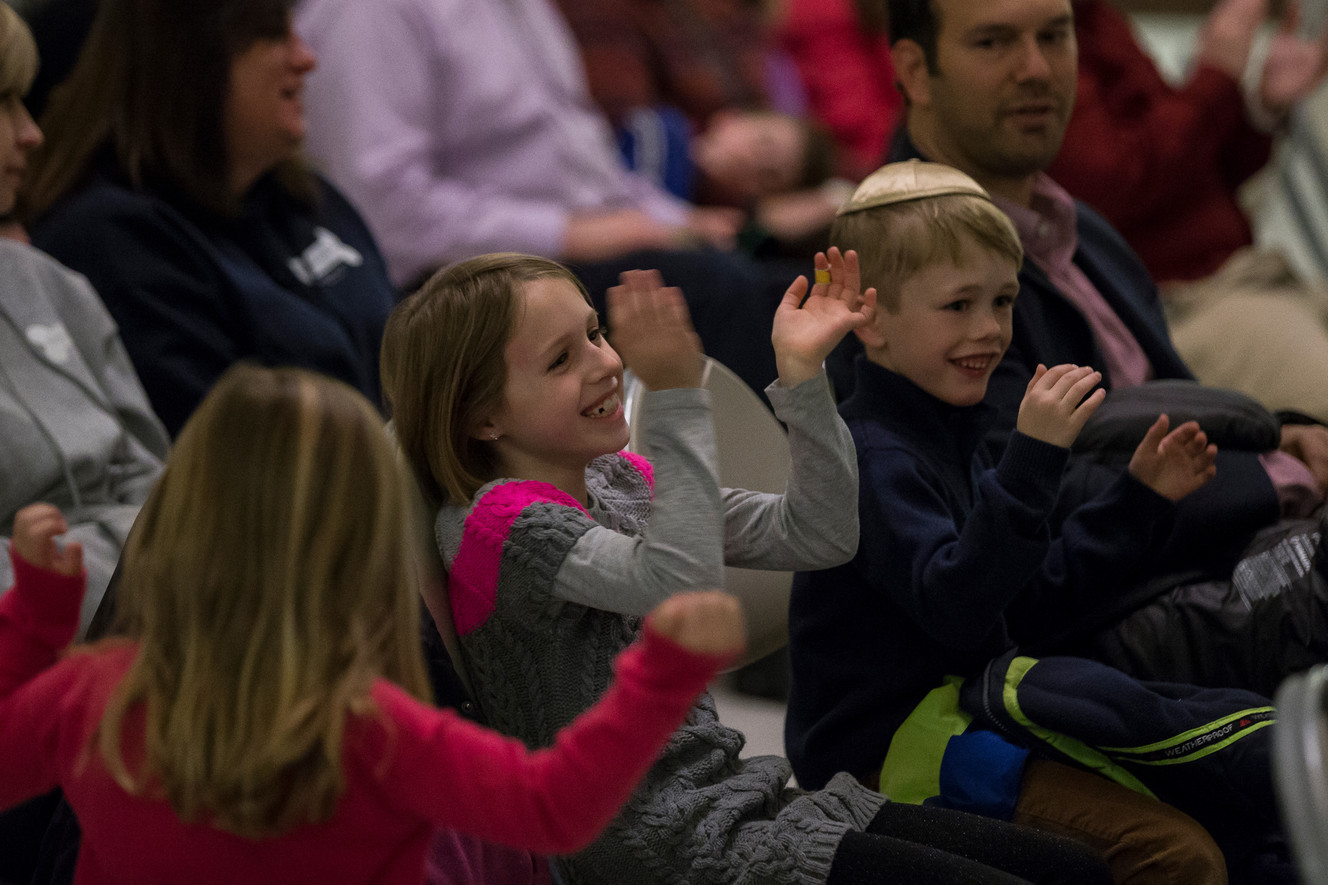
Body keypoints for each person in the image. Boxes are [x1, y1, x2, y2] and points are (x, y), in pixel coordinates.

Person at [382, 250, 1114, 884]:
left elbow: (821, 532)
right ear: (483, 418)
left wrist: (803, 376)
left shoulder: (617, 478)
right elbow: (681, 592)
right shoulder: (496, 524)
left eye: (596, 335)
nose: (608, 362)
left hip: (736, 801)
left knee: (1070, 868)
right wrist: (672, 394)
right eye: (561, 359)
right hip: (652, 850)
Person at [0, 363, 747, 883]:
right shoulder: (367, 728)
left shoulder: (92, 692)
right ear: (361, 545)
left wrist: (34, 619)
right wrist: (662, 674)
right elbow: (552, 807)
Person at [788, 161, 1284, 884]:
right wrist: (1031, 461)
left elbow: (1030, 604)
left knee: (1235, 806)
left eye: (1003, 300)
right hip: (887, 750)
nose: (989, 329)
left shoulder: (960, 426)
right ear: (871, 320)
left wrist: (1136, 499)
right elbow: (956, 605)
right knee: (1178, 856)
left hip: (976, 711)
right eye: (957, 305)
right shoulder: (869, 454)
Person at [879, 0, 1328, 583]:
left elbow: (1181, 409)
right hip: (1120, 606)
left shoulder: (1076, 225)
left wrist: (1280, 433)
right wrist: (1277, 474)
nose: (1037, 68)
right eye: (994, 43)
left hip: (1199, 539)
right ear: (915, 72)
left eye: (1055, 36)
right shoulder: (915, 272)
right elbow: (1042, 509)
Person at [294, 0, 807, 398]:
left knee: (792, 288)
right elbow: (389, 216)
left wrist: (681, 219)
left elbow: (587, 163)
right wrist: (582, 233)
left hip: (576, 247)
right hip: (463, 286)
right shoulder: (368, 14)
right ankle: (742, 515)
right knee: (719, 289)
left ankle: (835, 514)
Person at [22, 0, 399, 437]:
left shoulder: (305, 197)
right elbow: (221, 452)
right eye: (277, 35)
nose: (306, 59)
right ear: (195, 60)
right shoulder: (113, 241)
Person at [1047, 0, 1328, 422]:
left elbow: (1196, 174)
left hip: (1247, 280)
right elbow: (1117, 186)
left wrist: (1262, 107)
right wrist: (1217, 71)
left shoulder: (1095, 18)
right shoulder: (1038, 36)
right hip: (1177, 305)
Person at [0, 0, 165, 638]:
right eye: (5, 103)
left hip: (147, 630)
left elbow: (158, 485)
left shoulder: (51, 283)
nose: (31, 132)